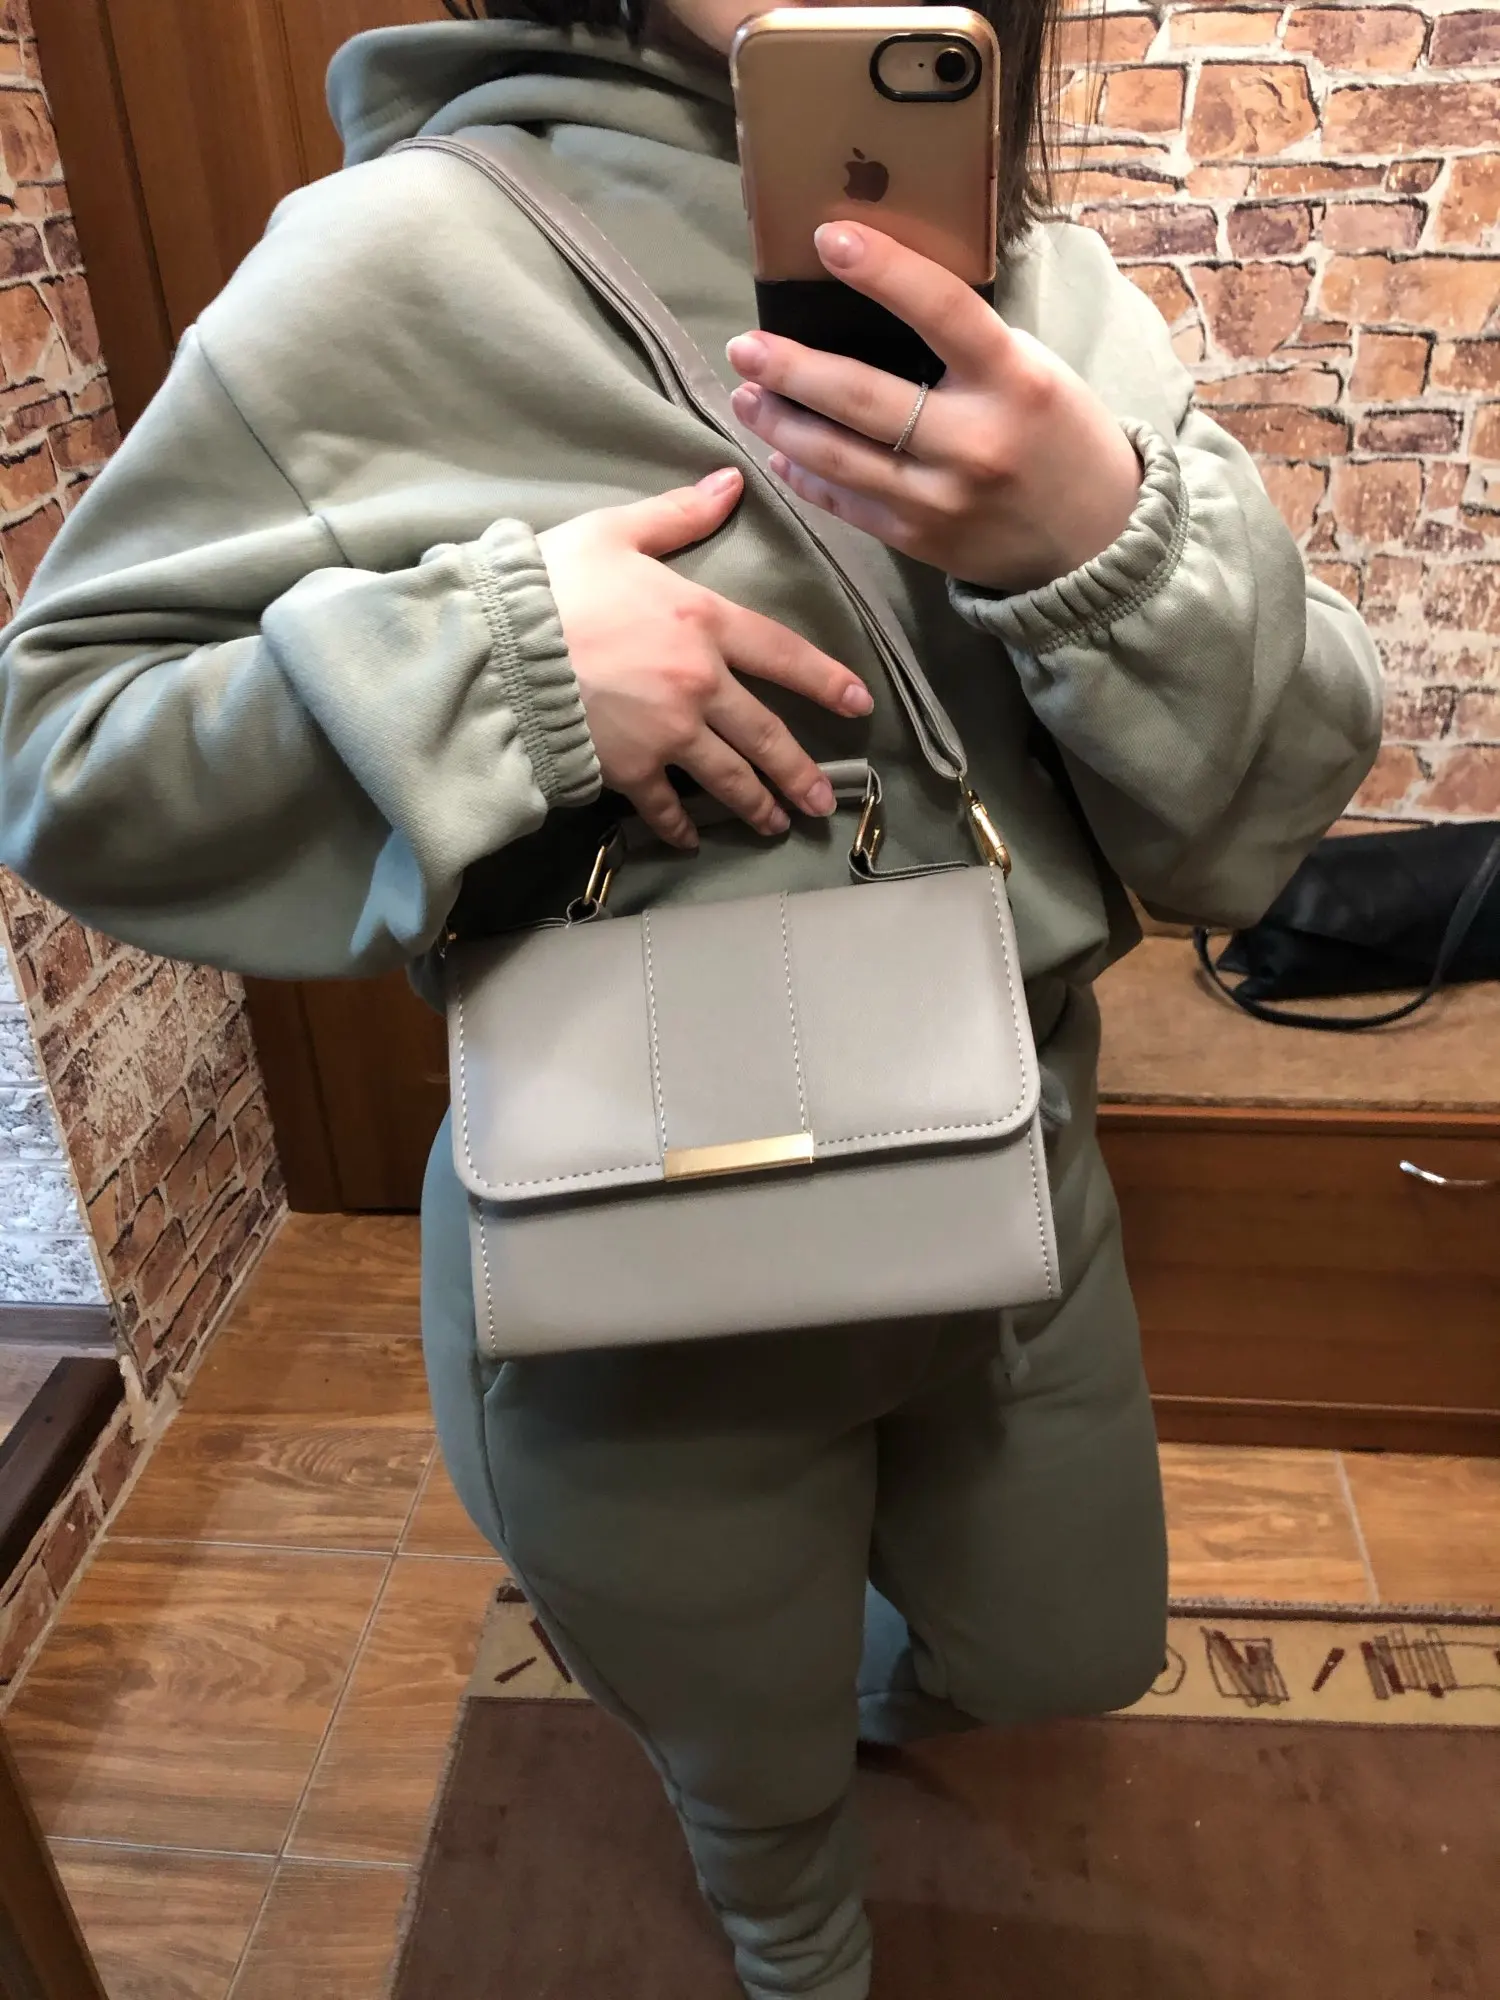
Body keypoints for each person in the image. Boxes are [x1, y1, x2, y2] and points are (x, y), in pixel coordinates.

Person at [0, 2, 1381, 1992]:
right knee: (757, 1772)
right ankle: (792, 1935)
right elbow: (66, 756)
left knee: (1057, 1647)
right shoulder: (400, 262)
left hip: (1017, 1184)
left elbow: (1271, 808)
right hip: (640, 1268)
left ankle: (853, 1719)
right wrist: (504, 660)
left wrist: (1102, 546)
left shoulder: (1046, 285)